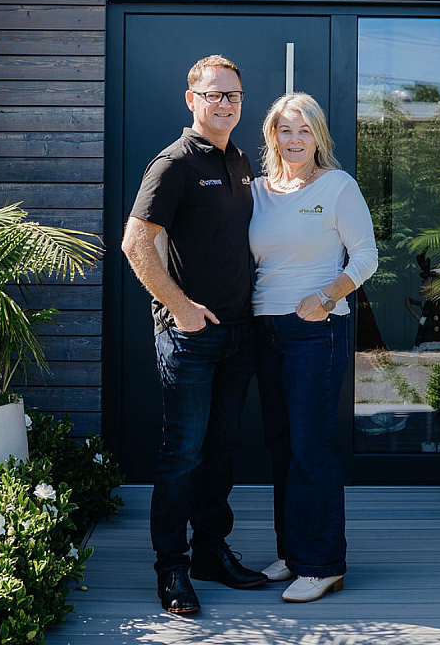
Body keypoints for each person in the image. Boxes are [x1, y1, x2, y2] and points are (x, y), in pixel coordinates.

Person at [121, 54, 267, 615]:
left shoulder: (241, 161)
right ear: (192, 101)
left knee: (221, 449)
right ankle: (172, 569)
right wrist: (179, 308)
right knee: (182, 452)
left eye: (232, 95)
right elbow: (136, 243)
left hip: (238, 333)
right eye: (214, 95)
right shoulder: (174, 164)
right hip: (190, 335)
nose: (225, 103)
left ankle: (210, 552)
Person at [250, 92, 378, 603]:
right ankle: (293, 551)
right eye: (285, 130)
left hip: (316, 329)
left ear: (318, 136)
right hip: (265, 328)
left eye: (304, 131)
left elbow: (366, 258)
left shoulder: (338, 187)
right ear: (272, 137)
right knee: (282, 446)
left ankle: (323, 563)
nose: (295, 140)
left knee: (312, 447)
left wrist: (325, 298)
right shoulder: (258, 191)